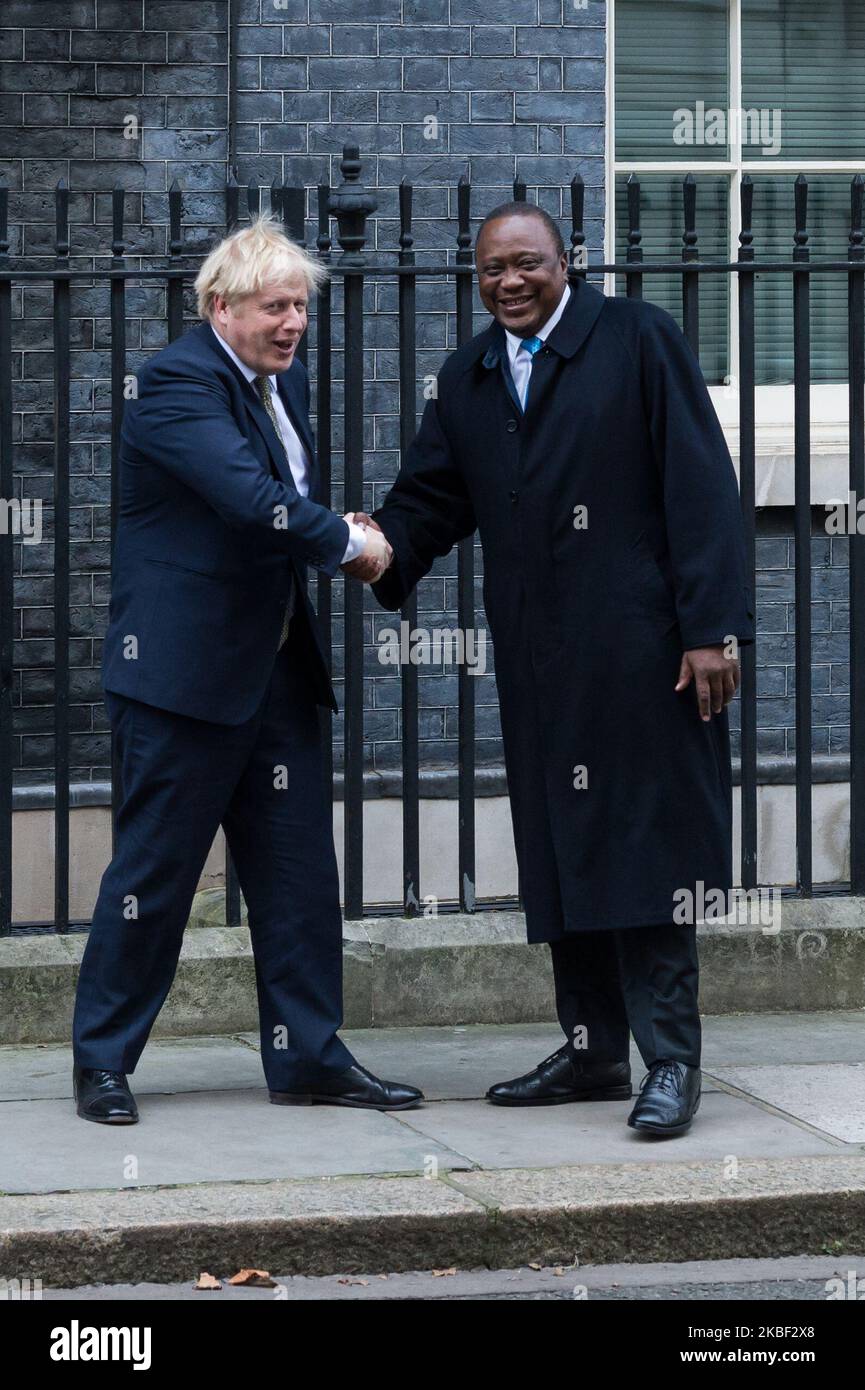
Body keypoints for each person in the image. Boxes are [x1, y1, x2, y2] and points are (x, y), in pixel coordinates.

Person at [363, 203, 754, 1137]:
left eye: (525, 264)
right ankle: (591, 1051)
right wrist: (376, 549)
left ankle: (670, 1062)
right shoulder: (470, 376)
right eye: (491, 269)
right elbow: (431, 496)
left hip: (645, 650)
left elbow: (700, 484)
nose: (508, 282)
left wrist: (711, 631)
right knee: (563, 845)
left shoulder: (636, 339)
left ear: (565, 262)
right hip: (539, 657)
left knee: (650, 848)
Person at [72, 215, 423, 1124]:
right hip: (182, 679)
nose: (294, 323)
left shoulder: (275, 383)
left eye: (301, 307)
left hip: (271, 671)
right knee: (153, 878)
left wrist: (335, 529)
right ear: (220, 306)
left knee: (299, 878)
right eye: (276, 306)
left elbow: (280, 500)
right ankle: (101, 1063)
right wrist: (355, 546)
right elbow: (249, 503)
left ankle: (307, 1058)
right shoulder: (176, 382)